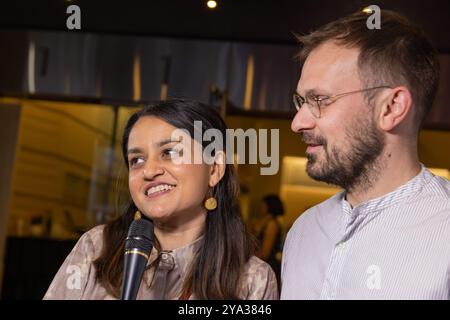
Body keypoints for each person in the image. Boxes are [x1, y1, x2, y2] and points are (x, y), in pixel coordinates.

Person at [282, 9, 450, 299]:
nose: (298, 123)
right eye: (301, 101)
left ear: (391, 107)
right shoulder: (304, 230)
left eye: (319, 99)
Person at [44, 99, 278, 300]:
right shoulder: (97, 247)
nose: (149, 170)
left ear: (214, 168)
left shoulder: (252, 280)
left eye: (170, 152)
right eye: (137, 159)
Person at [256, 194, 285, 290]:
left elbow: (265, 252)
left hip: (268, 265)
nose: (261, 208)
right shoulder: (266, 222)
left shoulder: (272, 224)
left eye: (263, 205)